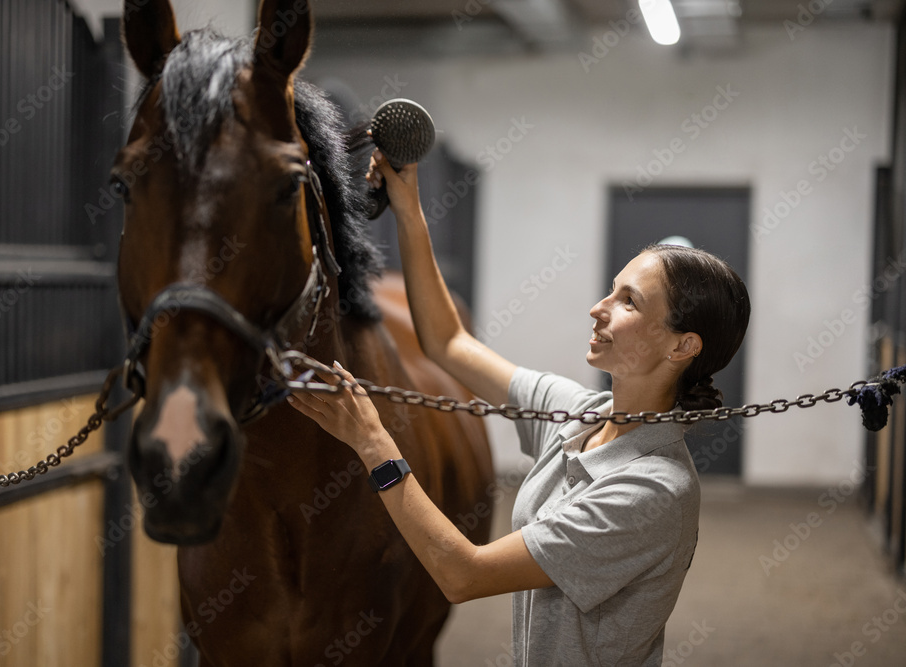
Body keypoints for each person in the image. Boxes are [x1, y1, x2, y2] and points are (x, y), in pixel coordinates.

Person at [287, 149, 751, 666]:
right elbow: (448, 343)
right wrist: (410, 210)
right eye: (611, 290)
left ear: (682, 347)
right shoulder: (578, 414)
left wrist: (373, 444)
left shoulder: (656, 490)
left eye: (628, 301)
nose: (598, 309)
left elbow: (463, 574)